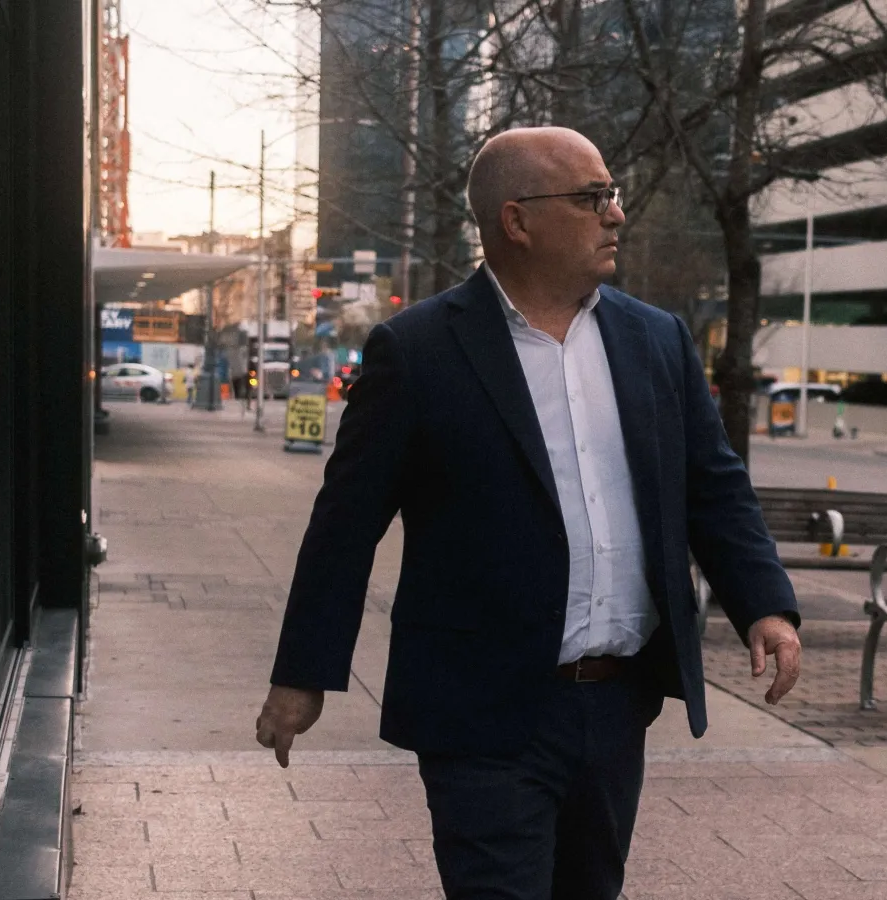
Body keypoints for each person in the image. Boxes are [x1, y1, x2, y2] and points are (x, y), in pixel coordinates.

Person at [253, 127, 803, 900]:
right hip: (481, 709)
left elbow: (713, 485)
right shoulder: (417, 352)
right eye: (591, 198)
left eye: (612, 195)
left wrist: (766, 607)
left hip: (616, 703)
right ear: (517, 221)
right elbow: (345, 525)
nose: (615, 215)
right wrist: (303, 675)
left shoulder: (656, 340)